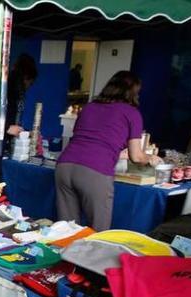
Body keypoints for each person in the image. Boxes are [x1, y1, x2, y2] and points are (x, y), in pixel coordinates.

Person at [56, 71, 162, 231]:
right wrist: (152, 158)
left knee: (66, 229)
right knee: (98, 230)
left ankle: (64, 255)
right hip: (94, 171)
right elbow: (136, 156)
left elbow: (86, 140)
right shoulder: (131, 113)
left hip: (64, 165)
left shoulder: (89, 107)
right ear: (133, 92)